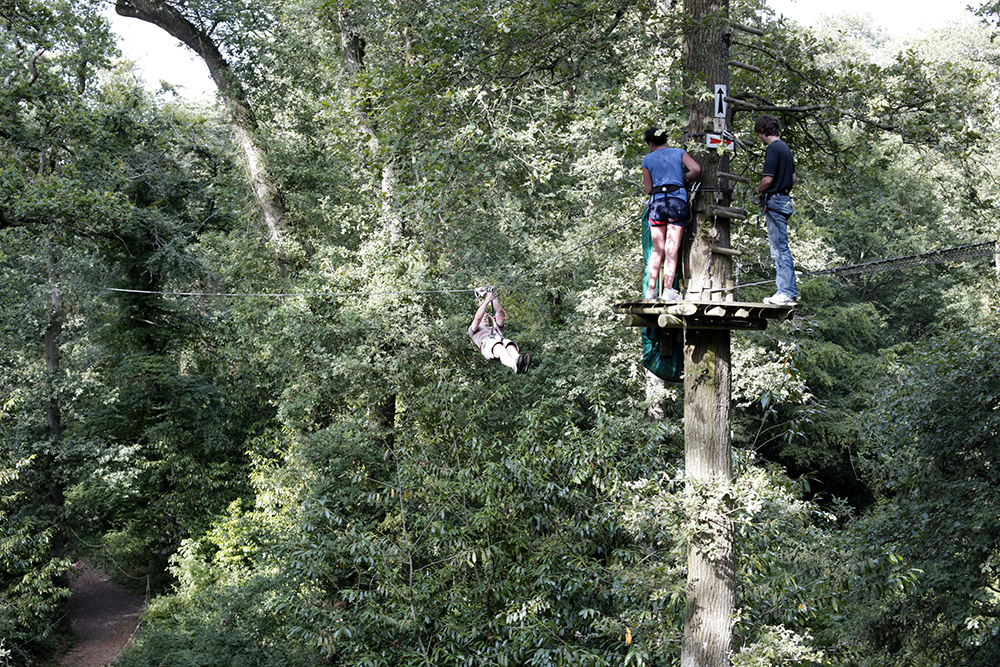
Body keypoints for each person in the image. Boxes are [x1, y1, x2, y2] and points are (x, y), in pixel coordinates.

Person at [641, 127, 701, 300]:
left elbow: (648, 189)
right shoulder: (679, 153)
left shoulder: (647, 159)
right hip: (677, 203)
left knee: (657, 250)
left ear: (651, 144)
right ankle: (668, 291)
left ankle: (651, 291)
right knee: (671, 249)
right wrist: (684, 178)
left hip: (657, 204)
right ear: (664, 140)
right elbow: (695, 168)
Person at [754, 114, 797, 306]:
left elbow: (767, 179)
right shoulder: (786, 148)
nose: (760, 139)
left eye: (759, 135)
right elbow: (793, 178)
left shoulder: (772, 149)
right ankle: (786, 291)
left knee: (779, 250)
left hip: (776, 200)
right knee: (781, 247)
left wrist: (758, 191)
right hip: (785, 199)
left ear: (763, 131)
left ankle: (786, 292)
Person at [468, 288, 531, 374]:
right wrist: (486, 301)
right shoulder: (474, 330)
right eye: (483, 318)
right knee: (499, 347)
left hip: (499, 339)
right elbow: (478, 317)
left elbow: (499, 311)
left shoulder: (495, 328)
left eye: (486, 317)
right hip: (488, 345)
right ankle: (514, 365)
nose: (485, 319)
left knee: (509, 345)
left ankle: (521, 362)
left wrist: (489, 295)